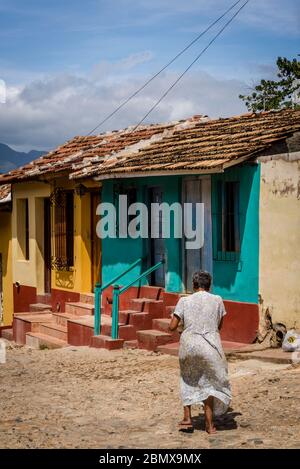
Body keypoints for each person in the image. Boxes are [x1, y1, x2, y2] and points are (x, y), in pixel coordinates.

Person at [169, 270, 231, 434]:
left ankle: (187, 419)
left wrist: (183, 328)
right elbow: (219, 326)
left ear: (194, 285)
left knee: (187, 379)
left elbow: (172, 326)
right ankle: (209, 425)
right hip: (210, 345)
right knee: (209, 384)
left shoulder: (184, 301)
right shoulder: (217, 300)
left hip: (189, 344)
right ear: (209, 285)